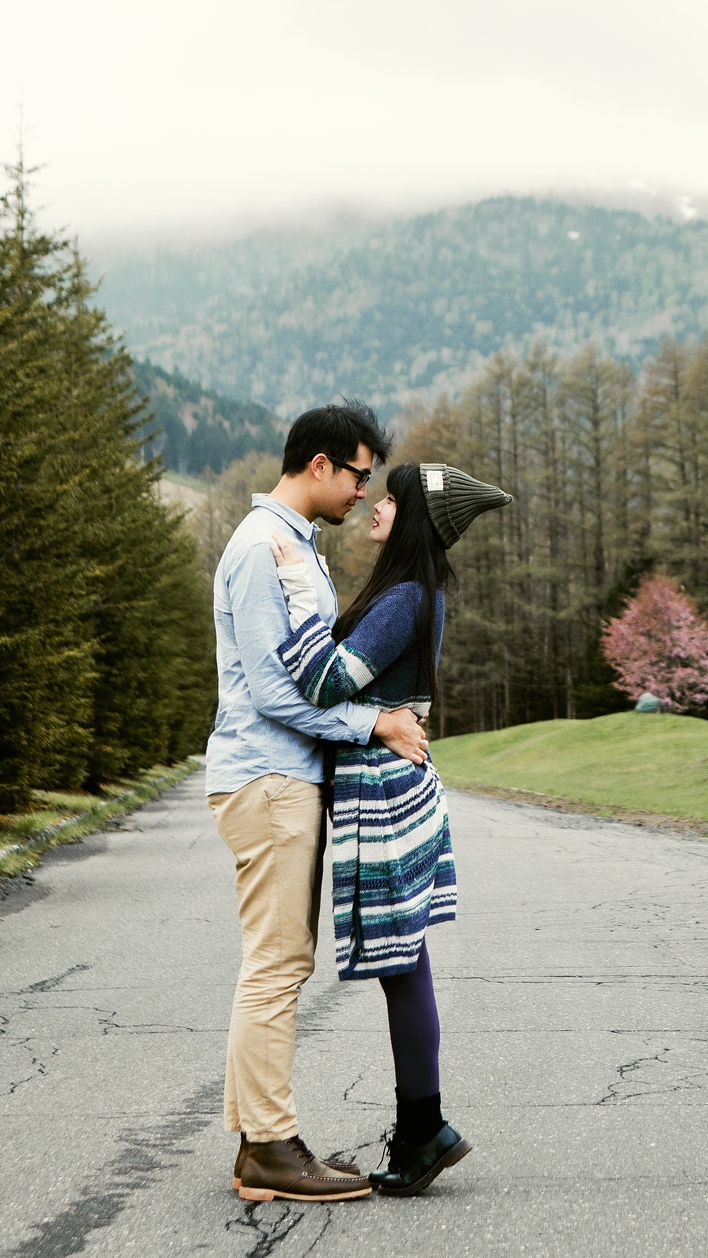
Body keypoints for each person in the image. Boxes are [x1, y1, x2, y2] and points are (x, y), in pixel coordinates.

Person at [206, 401, 431, 1205]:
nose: (364, 492)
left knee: (275, 961)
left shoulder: (292, 544)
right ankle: (270, 1147)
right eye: (360, 474)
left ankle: (255, 1142)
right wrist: (374, 719)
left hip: (282, 776)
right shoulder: (264, 547)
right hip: (268, 776)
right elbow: (271, 689)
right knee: (276, 964)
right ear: (321, 465)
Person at [270, 460, 512, 1198]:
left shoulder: (406, 596)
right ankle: (420, 1127)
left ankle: (424, 1128)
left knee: (402, 966)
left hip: (381, 790)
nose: (375, 504)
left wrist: (296, 589)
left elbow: (323, 681)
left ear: (412, 517)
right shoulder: (418, 593)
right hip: (399, 783)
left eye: (391, 496)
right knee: (409, 964)